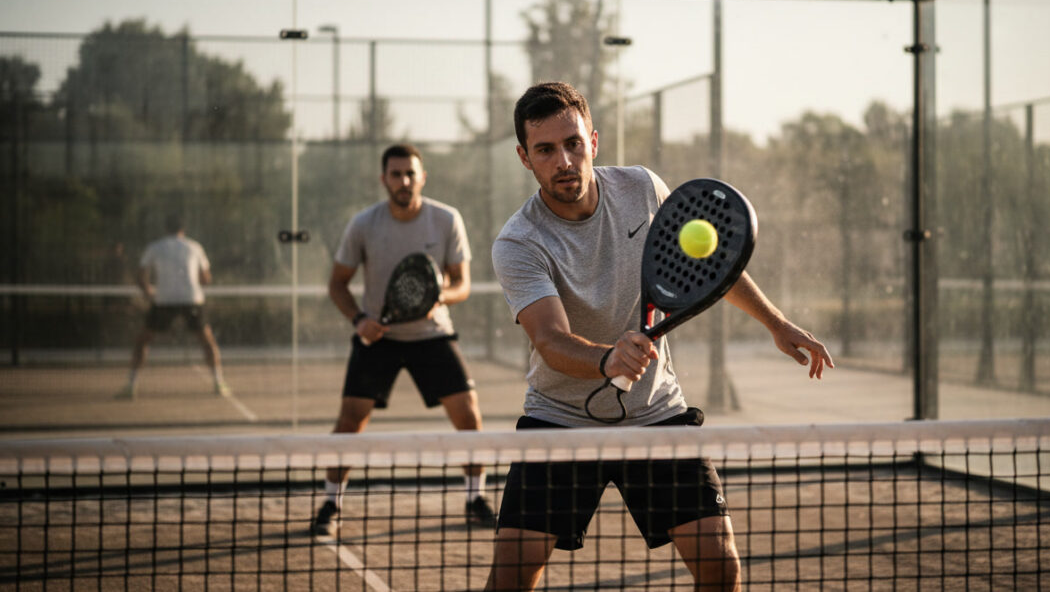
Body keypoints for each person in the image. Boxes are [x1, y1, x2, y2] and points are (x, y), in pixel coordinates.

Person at [487, 82, 834, 591]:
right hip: (558, 420)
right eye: (545, 150)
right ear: (524, 157)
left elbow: (708, 265)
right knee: (510, 580)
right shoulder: (519, 241)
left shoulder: (642, 189)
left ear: (594, 141)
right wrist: (607, 359)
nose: (563, 160)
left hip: (656, 413)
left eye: (573, 143)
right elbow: (551, 341)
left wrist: (776, 323)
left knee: (722, 568)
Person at [312, 143, 496, 537]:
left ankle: (475, 498)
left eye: (411, 174)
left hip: (433, 335)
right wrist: (360, 320)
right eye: (395, 175)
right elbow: (337, 284)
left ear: (422, 177)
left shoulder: (446, 219)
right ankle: (331, 502)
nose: (404, 181)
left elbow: (461, 284)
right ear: (384, 180)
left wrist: (437, 298)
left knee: (469, 417)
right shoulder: (364, 224)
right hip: (379, 337)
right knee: (349, 423)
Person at [120, 214, 226, 399]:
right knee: (207, 341)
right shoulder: (195, 246)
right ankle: (219, 382)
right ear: (183, 230)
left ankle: (131, 385)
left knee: (142, 341)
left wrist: (148, 292)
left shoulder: (155, 247)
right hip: (192, 300)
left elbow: (140, 275)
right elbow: (206, 279)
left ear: (165, 228)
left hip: (164, 301)